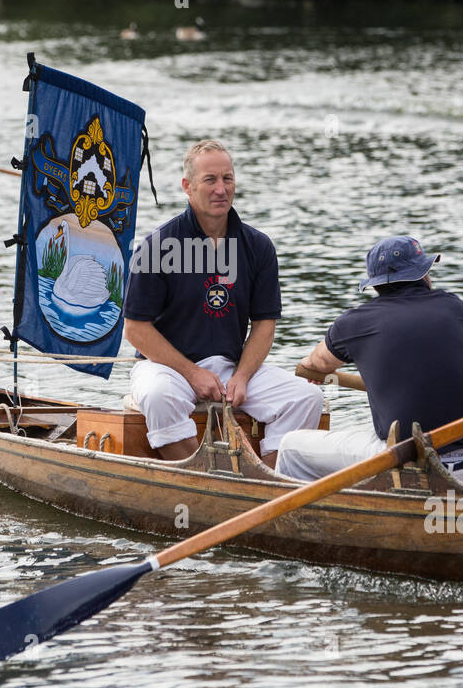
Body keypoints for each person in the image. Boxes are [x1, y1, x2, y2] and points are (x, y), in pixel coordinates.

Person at [123, 140, 322, 466]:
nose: (221, 189)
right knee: (158, 397)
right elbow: (135, 330)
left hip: (232, 367)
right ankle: (204, 483)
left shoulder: (258, 247)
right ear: (188, 186)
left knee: (307, 397)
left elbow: (264, 326)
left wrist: (242, 376)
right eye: (210, 180)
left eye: (227, 179)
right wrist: (191, 373)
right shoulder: (156, 246)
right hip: (166, 367)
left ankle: (267, 486)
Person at [277, 236, 463, 490]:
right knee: (382, 429)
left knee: (290, 446)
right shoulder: (455, 307)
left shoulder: (355, 323)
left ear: (375, 286)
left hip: (424, 474)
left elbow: (315, 365)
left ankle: (315, 520)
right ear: (425, 274)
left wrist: (324, 369)